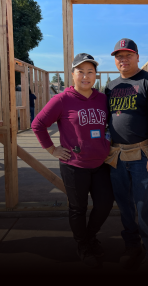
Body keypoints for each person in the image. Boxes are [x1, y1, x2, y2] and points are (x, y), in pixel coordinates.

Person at [32, 53, 114, 268]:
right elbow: (38, 124)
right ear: (73, 74)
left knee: (104, 204)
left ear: (95, 75)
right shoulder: (62, 99)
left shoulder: (103, 99)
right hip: (74, 166)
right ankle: (83, 245)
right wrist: (51, 149)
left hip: (101, 164)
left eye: (90, 72)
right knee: (78, 208)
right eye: (81, 72)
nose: (86, 76)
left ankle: (90, 236)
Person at [105, 38, 148, 269]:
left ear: (137, 56)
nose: (123, 59)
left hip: (142, 154)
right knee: (124, 205)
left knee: (145, 206)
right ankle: (132, 247)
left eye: (128, 55)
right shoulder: (110, 86)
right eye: (119, 56)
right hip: (117, 156)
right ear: (115, 59)